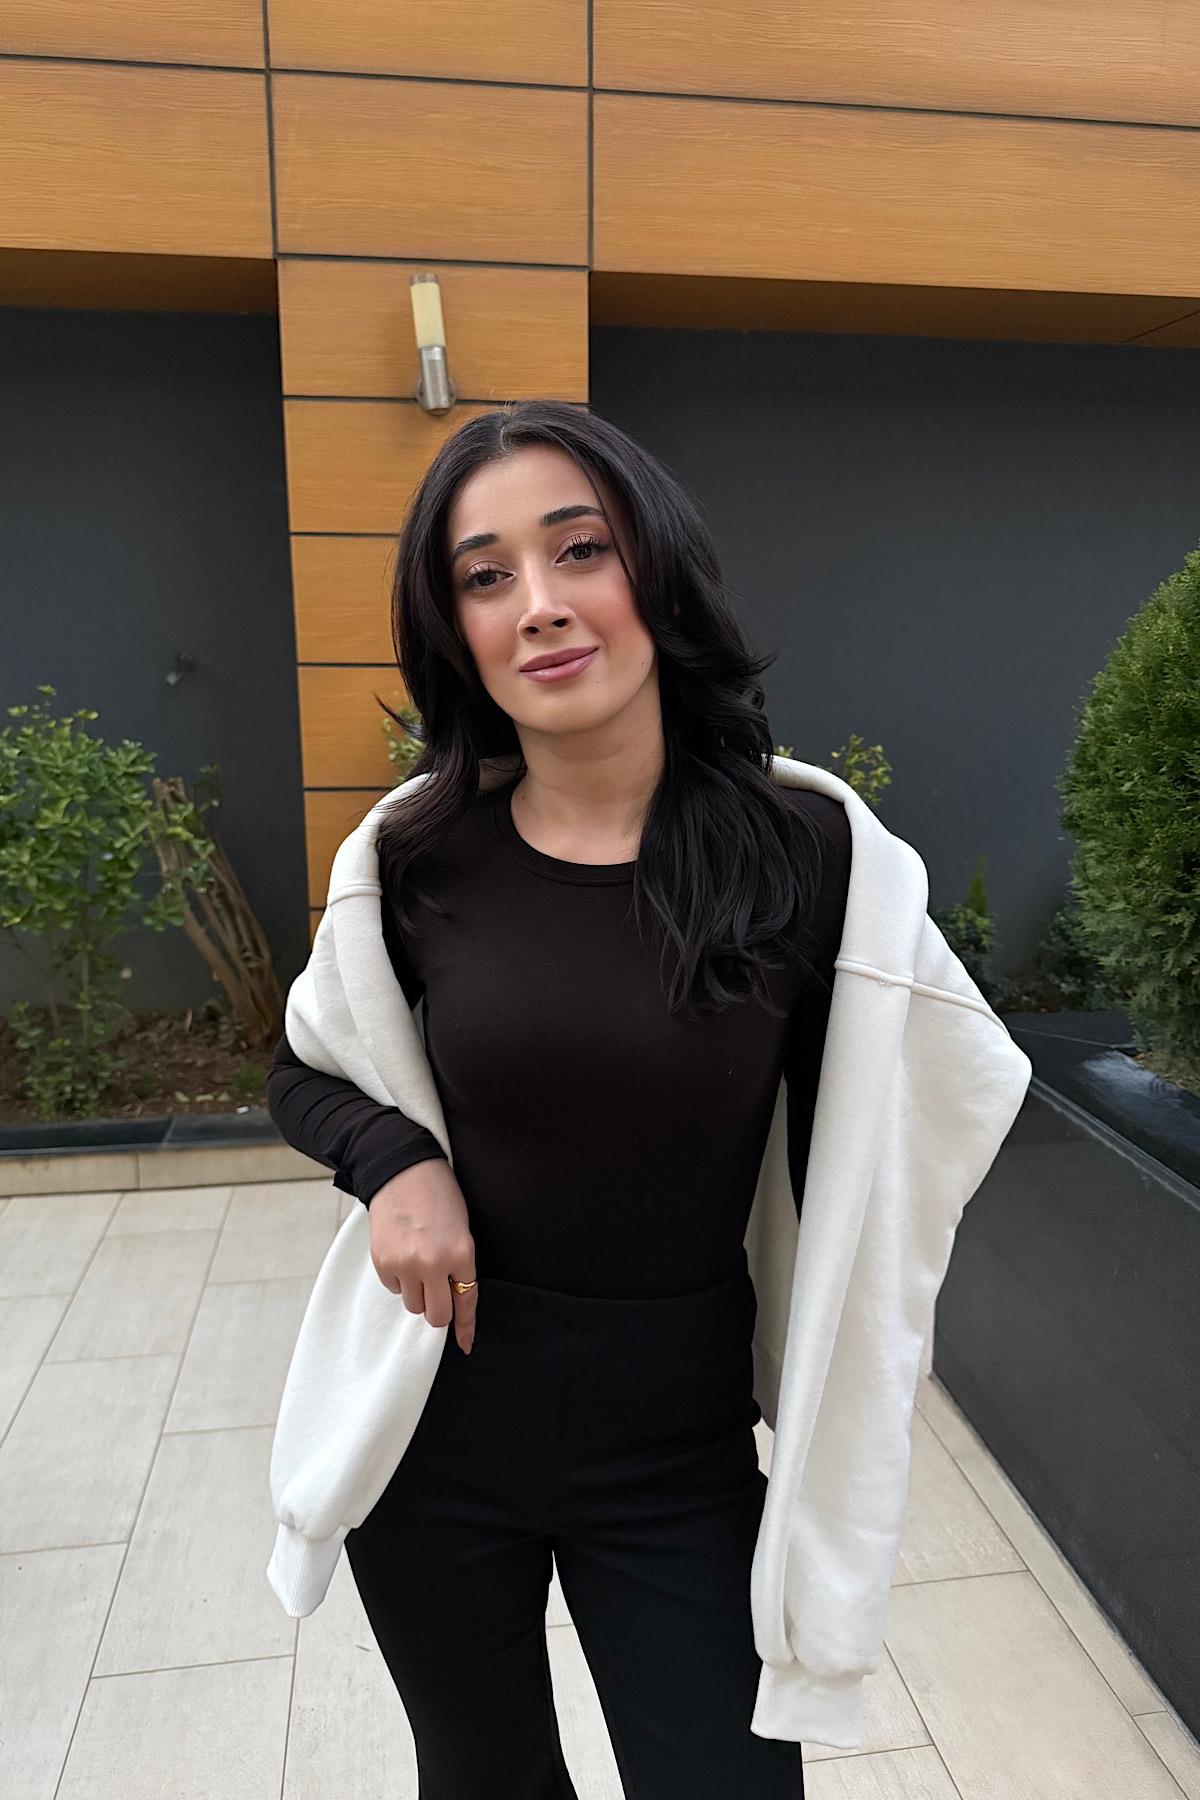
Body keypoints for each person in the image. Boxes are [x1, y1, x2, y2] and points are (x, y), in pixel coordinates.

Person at [267, 397, 854, 1798]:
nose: (538, 603)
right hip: (439, 1424)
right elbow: (302, 1063)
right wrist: (395, 1162)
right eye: (486, 576)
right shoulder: (415, 855)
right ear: (457, 629)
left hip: (680, 1440)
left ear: (657, 568)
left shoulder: (806, 850)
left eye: (579, 549)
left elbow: (895, 1123)